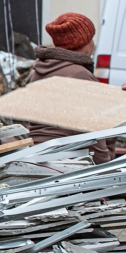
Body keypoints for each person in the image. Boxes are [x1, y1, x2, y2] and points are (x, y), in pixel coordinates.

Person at [26, 13, 113, 163]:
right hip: (70, 162)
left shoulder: (36, 72)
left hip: (36, 157)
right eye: (91, 38)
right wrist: (106, 169)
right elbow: (92, 134)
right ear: (84, 44)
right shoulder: (81, 76)